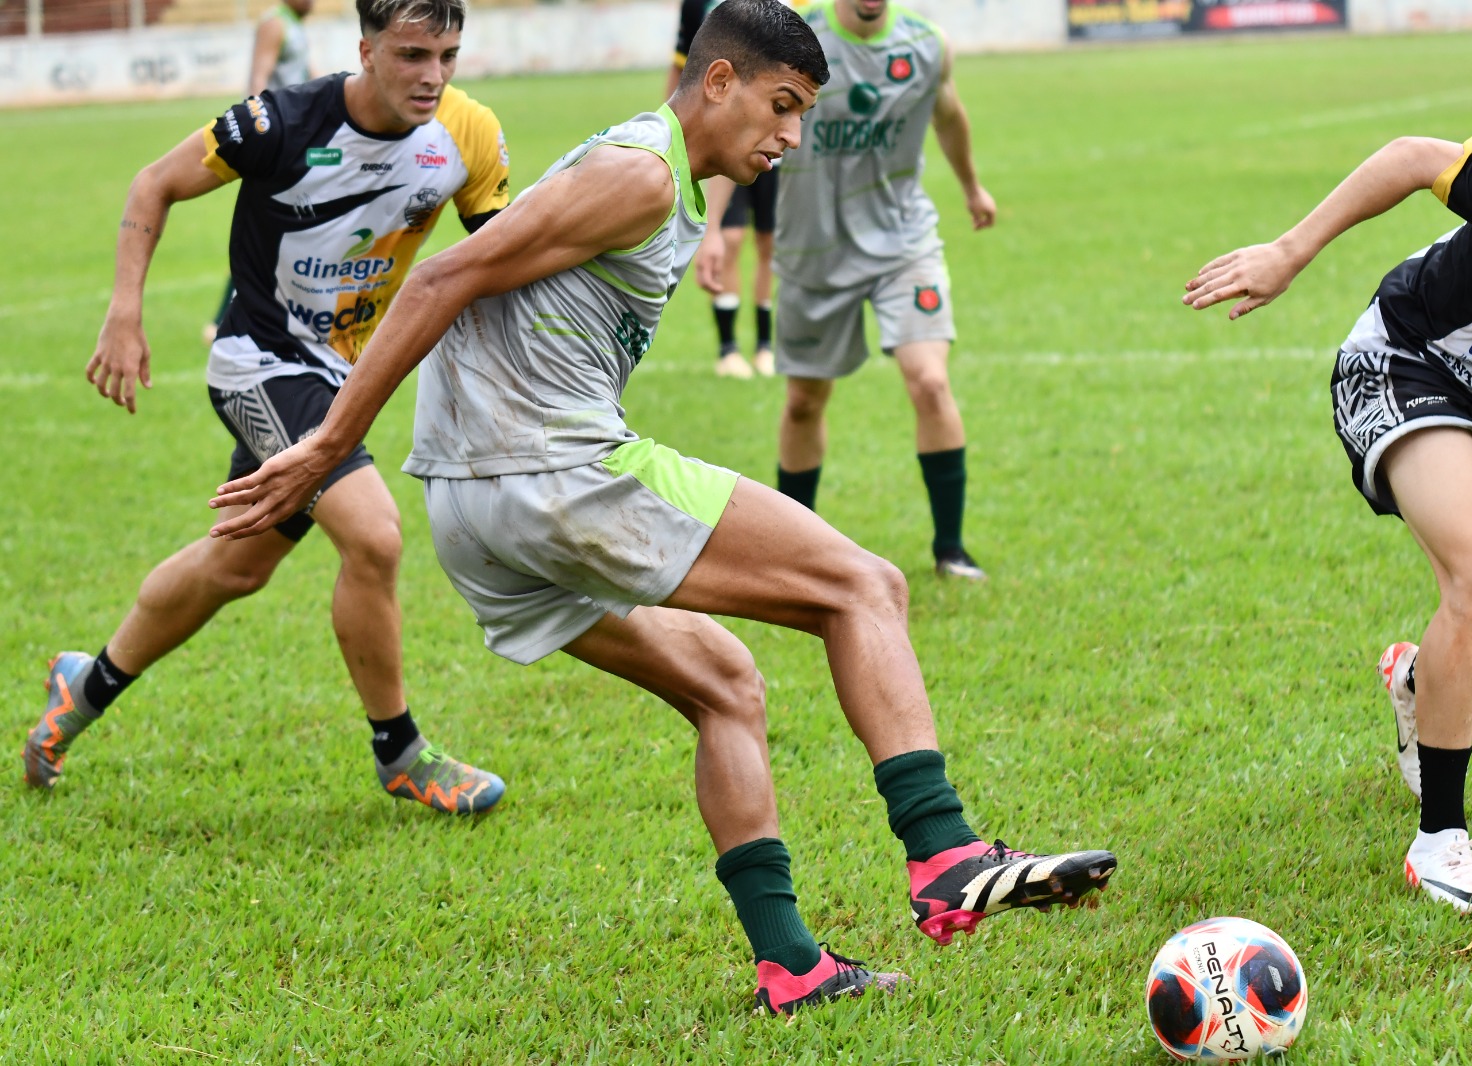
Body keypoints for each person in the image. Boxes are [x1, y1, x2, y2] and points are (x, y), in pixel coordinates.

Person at [207, 0, 1116, 1014]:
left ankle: (792, 966)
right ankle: (945, 852)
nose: (789, 135)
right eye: (781, 106)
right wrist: (329, 443)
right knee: (864, 586)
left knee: (725, 682)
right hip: (549, 473)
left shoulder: (660, 171)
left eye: (804, 115)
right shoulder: (640, 171)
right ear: (716, 82)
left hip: (476, 513)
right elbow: (447, 276)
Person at [24, 0, 512, 815]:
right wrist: (124, 310)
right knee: (375, 534)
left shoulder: (464, 135)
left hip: (339, 381)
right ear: (366, 49)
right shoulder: (279, 123)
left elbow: (499, 254)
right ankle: (402, 753)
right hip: (259, 364)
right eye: (413, 55)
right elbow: (155, 182)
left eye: (448, 56)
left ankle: (88, 680)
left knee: (238, 564)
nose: (433, 76)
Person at [1183, 127, 1472, 912]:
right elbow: (1412, 157)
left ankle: (1416, 676)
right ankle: (1438, 842)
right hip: (1410, 357)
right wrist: (1288, 251)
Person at [706, 0, 997, 580]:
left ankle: (951, 550)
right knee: (805, 401)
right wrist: (715, 231)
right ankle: (794, 552)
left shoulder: (925, 44)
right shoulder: (796, 40)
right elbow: (733, 128)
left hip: (902, 242)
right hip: (815, 248)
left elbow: (949, 115)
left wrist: (972, 187)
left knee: (932, 382)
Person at [668, 0, 779, 378]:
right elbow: (681, 65)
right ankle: (728, 347)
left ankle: (766, 345)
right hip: (723, 142)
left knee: (770, 243)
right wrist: (669, 122)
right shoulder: (698, 5)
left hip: (773, 146)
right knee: (727, 238)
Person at [203, 0, 318, 345]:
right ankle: (222, 320)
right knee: (267, 232)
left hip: (299, 144)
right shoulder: (275, 23)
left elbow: (312, 83)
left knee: (290, 231)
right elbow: (257, 84)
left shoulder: (296, 26)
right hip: (277, 145)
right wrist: (261, 142)